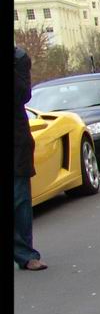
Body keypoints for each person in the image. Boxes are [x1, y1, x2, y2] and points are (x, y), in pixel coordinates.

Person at [14, 45, 46, 271]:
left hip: (16, 142)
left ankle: (25, 254)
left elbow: (22, 93)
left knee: (19, 199)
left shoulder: (19, 58)